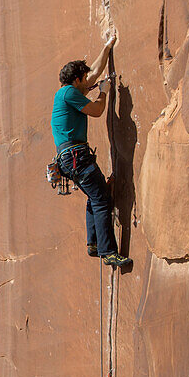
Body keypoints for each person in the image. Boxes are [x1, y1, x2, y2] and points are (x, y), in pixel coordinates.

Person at [51, 35, 131, 267]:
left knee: (94, 196)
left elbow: (94, 72)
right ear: (76, 80)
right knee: (102, 199)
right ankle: (108, 252)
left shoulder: (67, 92)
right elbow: (96, 111)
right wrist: (104, 92)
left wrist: (107, 47)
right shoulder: (69, 93)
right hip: (77, 157)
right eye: (84, 79)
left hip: (70, 158)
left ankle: (94, 243)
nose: (89, 81)